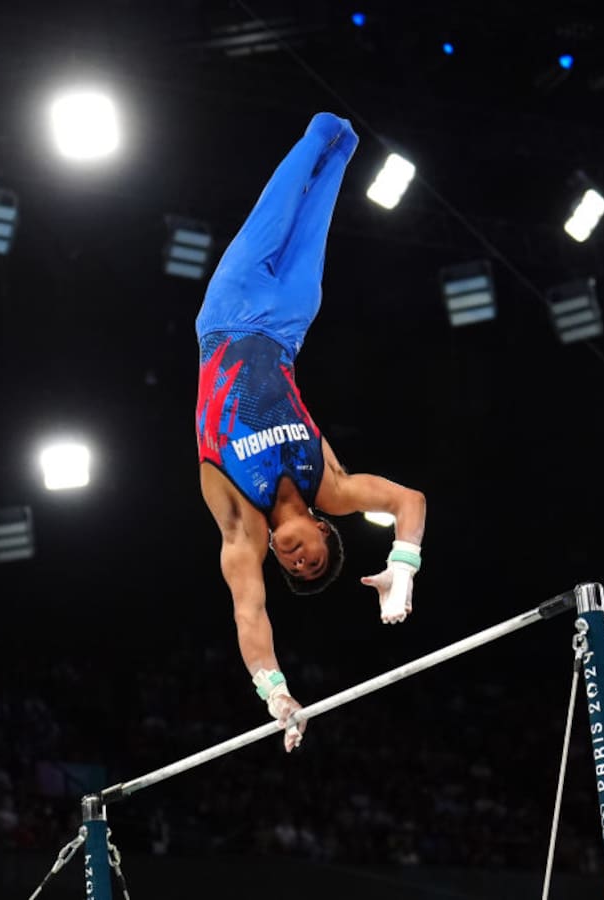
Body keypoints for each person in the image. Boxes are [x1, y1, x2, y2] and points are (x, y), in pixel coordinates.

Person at [195, 112, 427, 752]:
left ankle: (318, 133)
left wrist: (276, 692)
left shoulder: (243, 524)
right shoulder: (332, 485)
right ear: (325, 529)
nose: (297, 558)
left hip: (227, 314)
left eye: (293, 564)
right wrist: (401, 568)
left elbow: (249, 612)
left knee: (284, 195)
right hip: (290, 325)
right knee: (331, 177)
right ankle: (340, 140)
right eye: (314, 556)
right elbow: (411, 501)